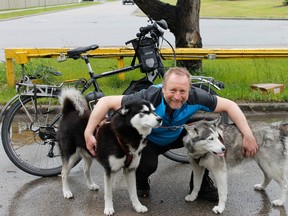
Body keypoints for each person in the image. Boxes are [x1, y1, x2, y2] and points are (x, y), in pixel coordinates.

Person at [84, 67, 258, 200]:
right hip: (150, 139)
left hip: (177, 134)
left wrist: (248, 135)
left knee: (209, 138)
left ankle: (200, 184)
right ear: (163, 89)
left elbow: (230, 106)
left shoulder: (197, 96)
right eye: (172, 90)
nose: (177, 96)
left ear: (189, 90)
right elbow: (106, 102)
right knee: (147, 166)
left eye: (183, 91)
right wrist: (88, 132)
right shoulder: (148, 97)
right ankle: (140, 181)